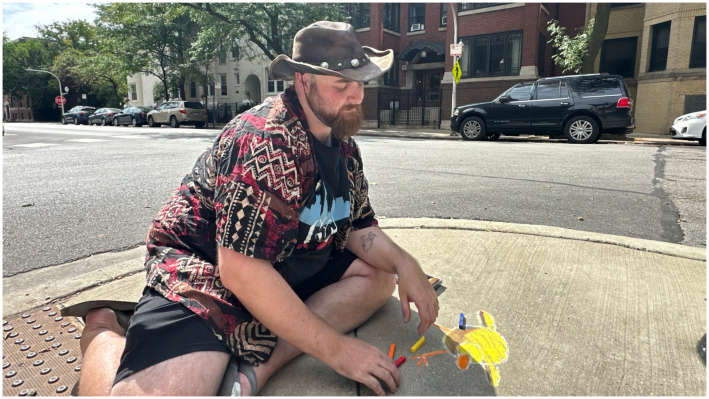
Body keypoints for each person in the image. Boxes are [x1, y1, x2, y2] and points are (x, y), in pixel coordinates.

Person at [72, 21, 439, 396]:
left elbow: (360, 228)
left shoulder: (343, 147)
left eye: (361, 82)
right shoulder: (264, 141)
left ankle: (258, 365)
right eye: (341, 85)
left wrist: (405, 264)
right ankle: (103, 330)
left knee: (379, 276)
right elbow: (241, 271)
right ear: (303, 81)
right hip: (208, 270)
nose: (357, 96)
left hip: (286, 260)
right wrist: (337, 350)